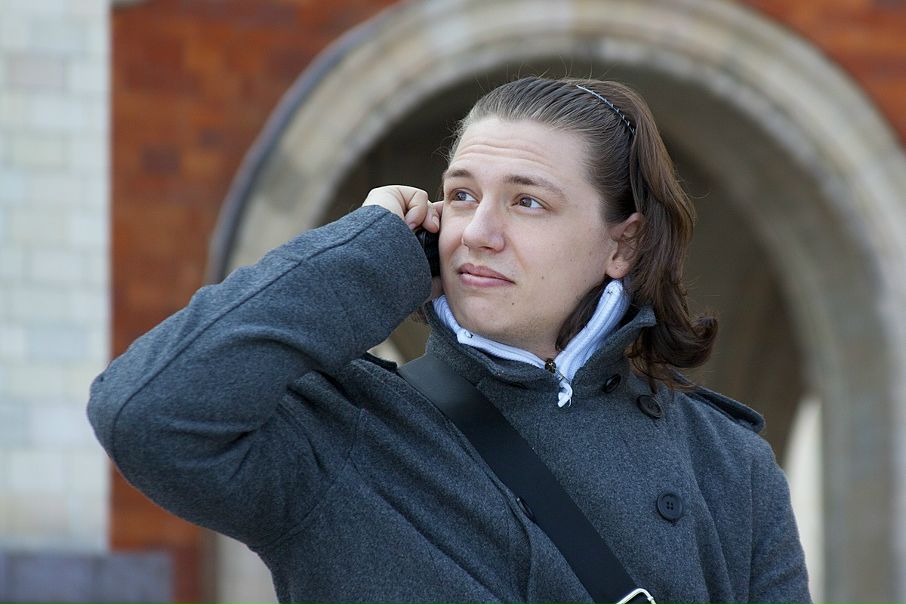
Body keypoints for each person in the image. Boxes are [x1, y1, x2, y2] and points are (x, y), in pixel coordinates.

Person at [87, 76, 811, 603]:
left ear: (622, 245)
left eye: (527, 201)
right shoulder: (344, 430)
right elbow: (145, 414)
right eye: (462, 195)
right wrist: (371, 252)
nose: (478, 232)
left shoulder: (727, 466)